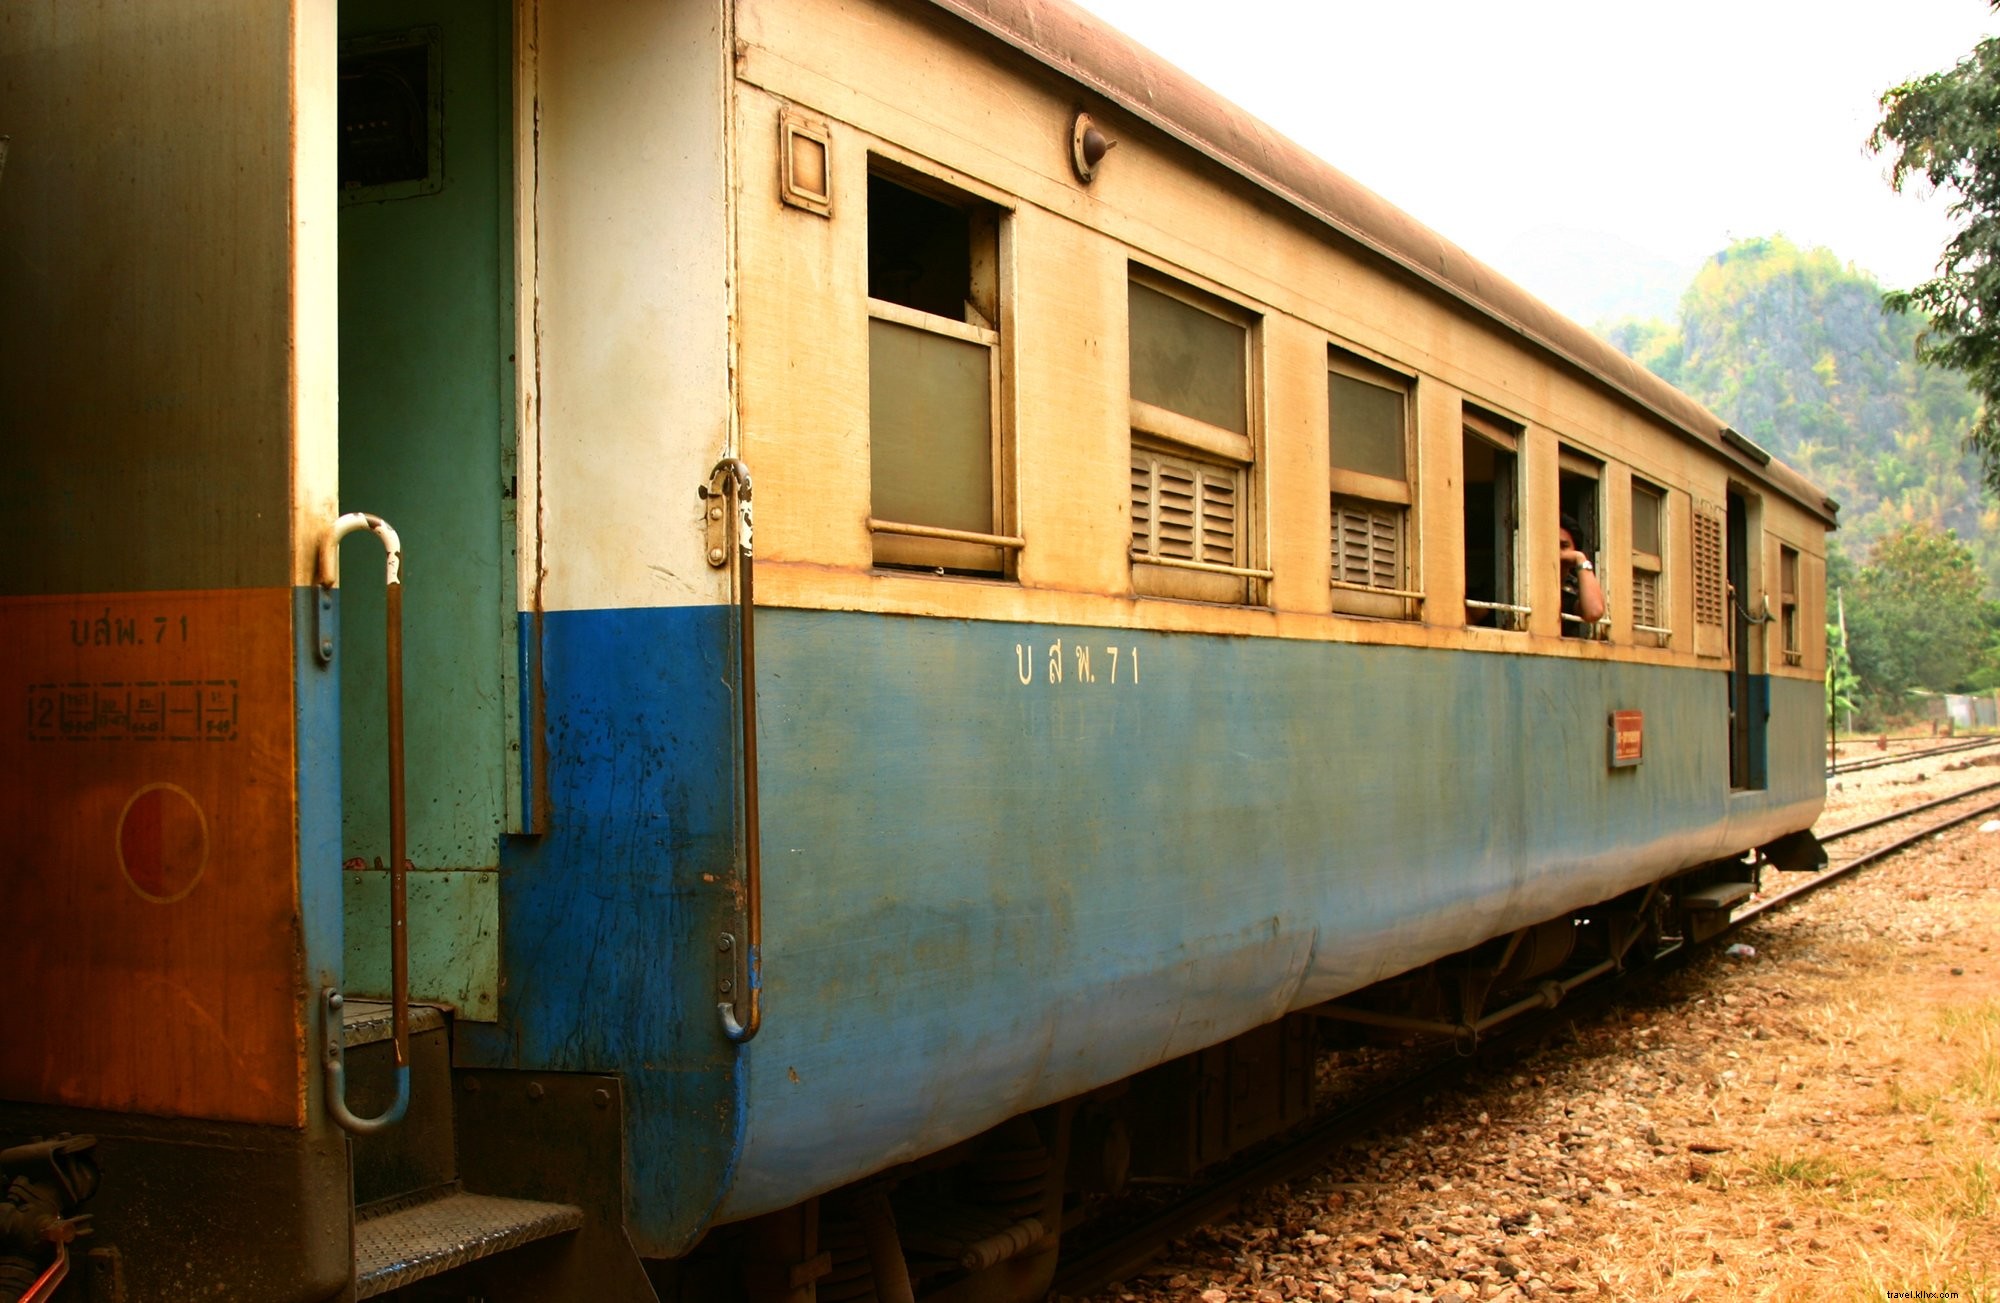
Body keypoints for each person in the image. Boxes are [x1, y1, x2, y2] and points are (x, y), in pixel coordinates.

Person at [1559, 515, 1605, 635]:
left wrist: (1580, 559)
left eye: (1563, 546)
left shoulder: (1571, 592)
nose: (1557, 552)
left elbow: (1594, 612)